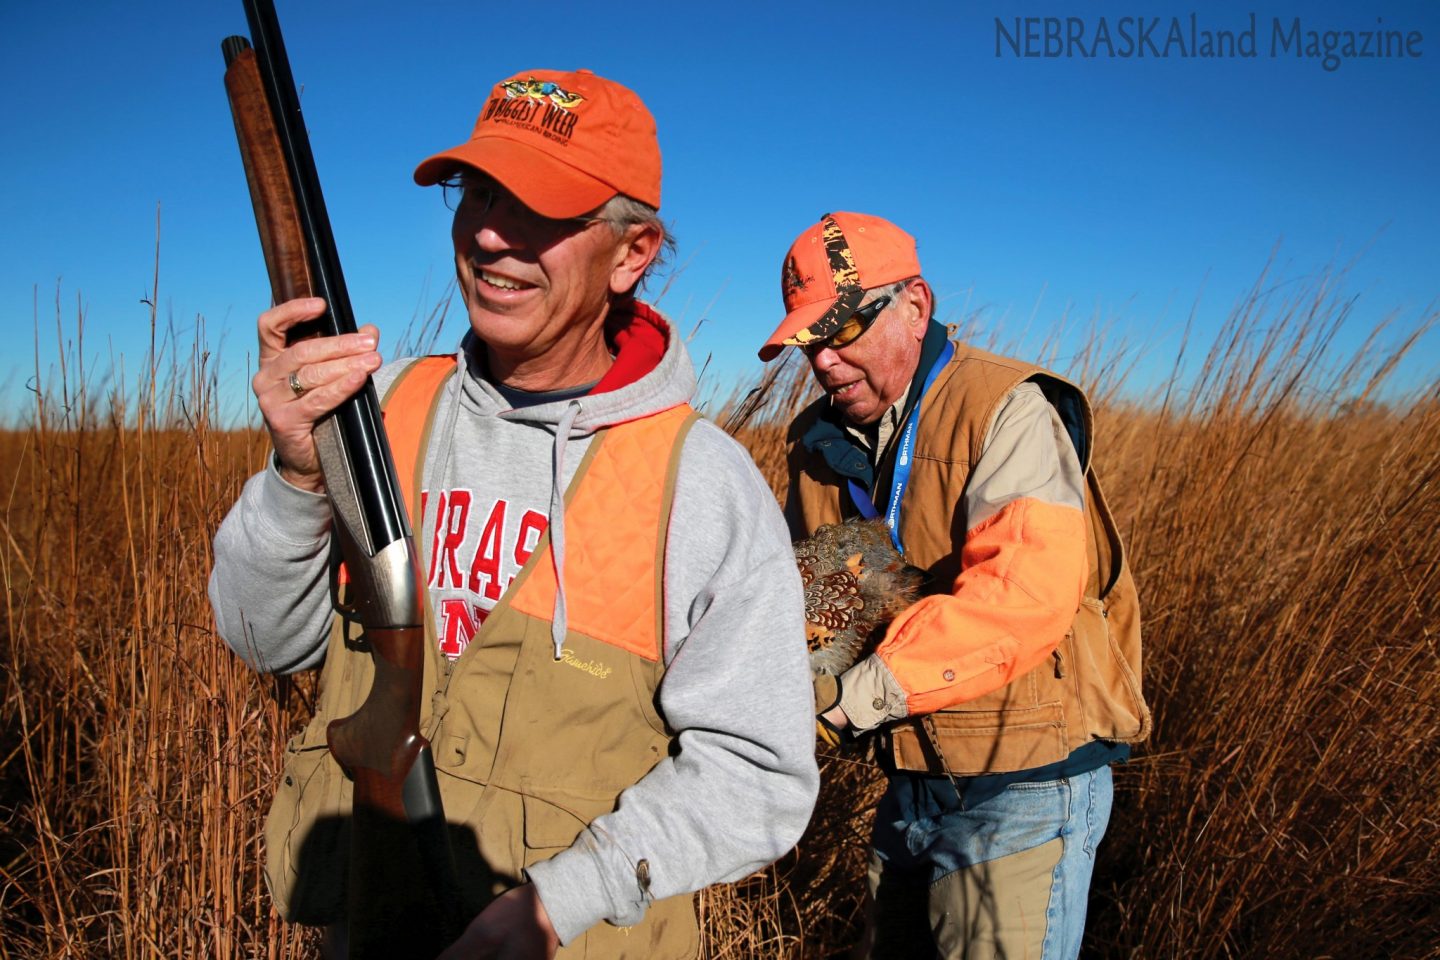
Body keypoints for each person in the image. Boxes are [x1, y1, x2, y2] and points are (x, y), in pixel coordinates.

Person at [209, 68, 819, 960]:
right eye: (480, 192)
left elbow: (759, 777)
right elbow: (262, 639)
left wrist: (560, 902)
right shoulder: (382, 410)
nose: (491, 235)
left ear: (632, 253)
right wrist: (297, 476)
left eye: (541, 206)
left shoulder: (702, 484)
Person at [759, 212, 1150, 960]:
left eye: (842, 330)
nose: (824, 363)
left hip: (1024, 780)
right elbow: (817, 604)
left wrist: (841, 709)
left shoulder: (1006, 408)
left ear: (916, 304)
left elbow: (1019, 599)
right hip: (908, 776)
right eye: (809, 340)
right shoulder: (817, 442)